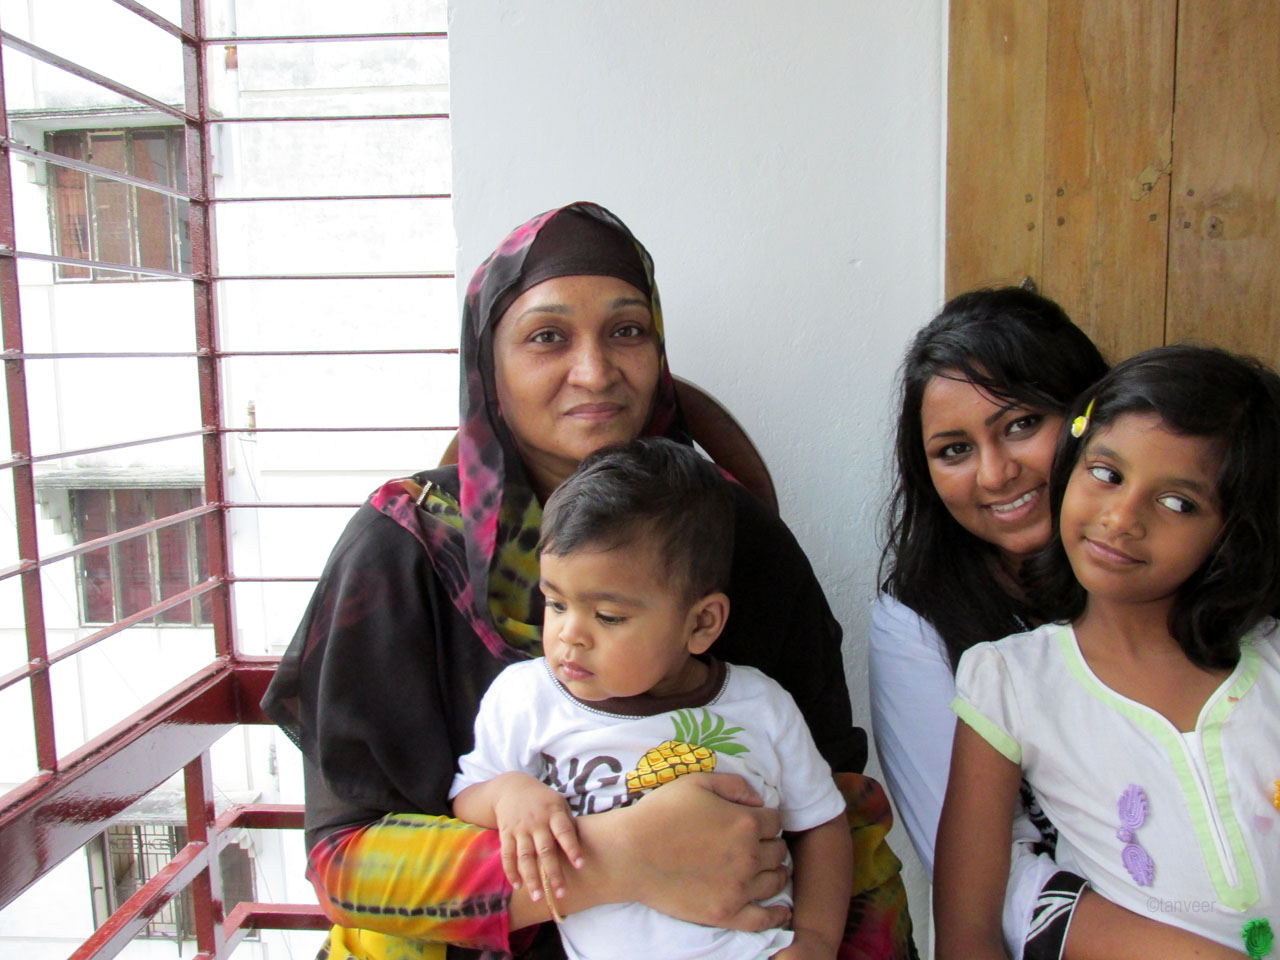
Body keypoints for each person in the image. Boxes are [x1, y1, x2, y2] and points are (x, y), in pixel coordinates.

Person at [262, 201, 915, 960]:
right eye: (547, 336)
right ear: (489, 365)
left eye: (627, 331)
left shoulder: (734, 538)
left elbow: (833, 805)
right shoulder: (402, 550)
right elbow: (348, 863)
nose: (596, 371)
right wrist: (622, 861)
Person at [934, 345, 1280, 959]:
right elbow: (967, 932)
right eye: (1107, 474)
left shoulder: (1272, 661)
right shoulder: (1011, 681)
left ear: (1232, 534)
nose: (1121, 518)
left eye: (1178, 503)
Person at [451, 437, 852, 960]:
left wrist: (817, 941)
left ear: (701, 623)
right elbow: (467, 798)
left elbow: (822, 824)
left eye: (608, 616)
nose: (569, 635)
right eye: (555, 603)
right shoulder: (527, 699)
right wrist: (509, 795)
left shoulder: (760, 705)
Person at [870, 287, 1110, 956]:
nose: (997, 474)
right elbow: (986, 884)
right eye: (955, 450)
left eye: (1022, 424)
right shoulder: (918, 623)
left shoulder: (1167, 580)